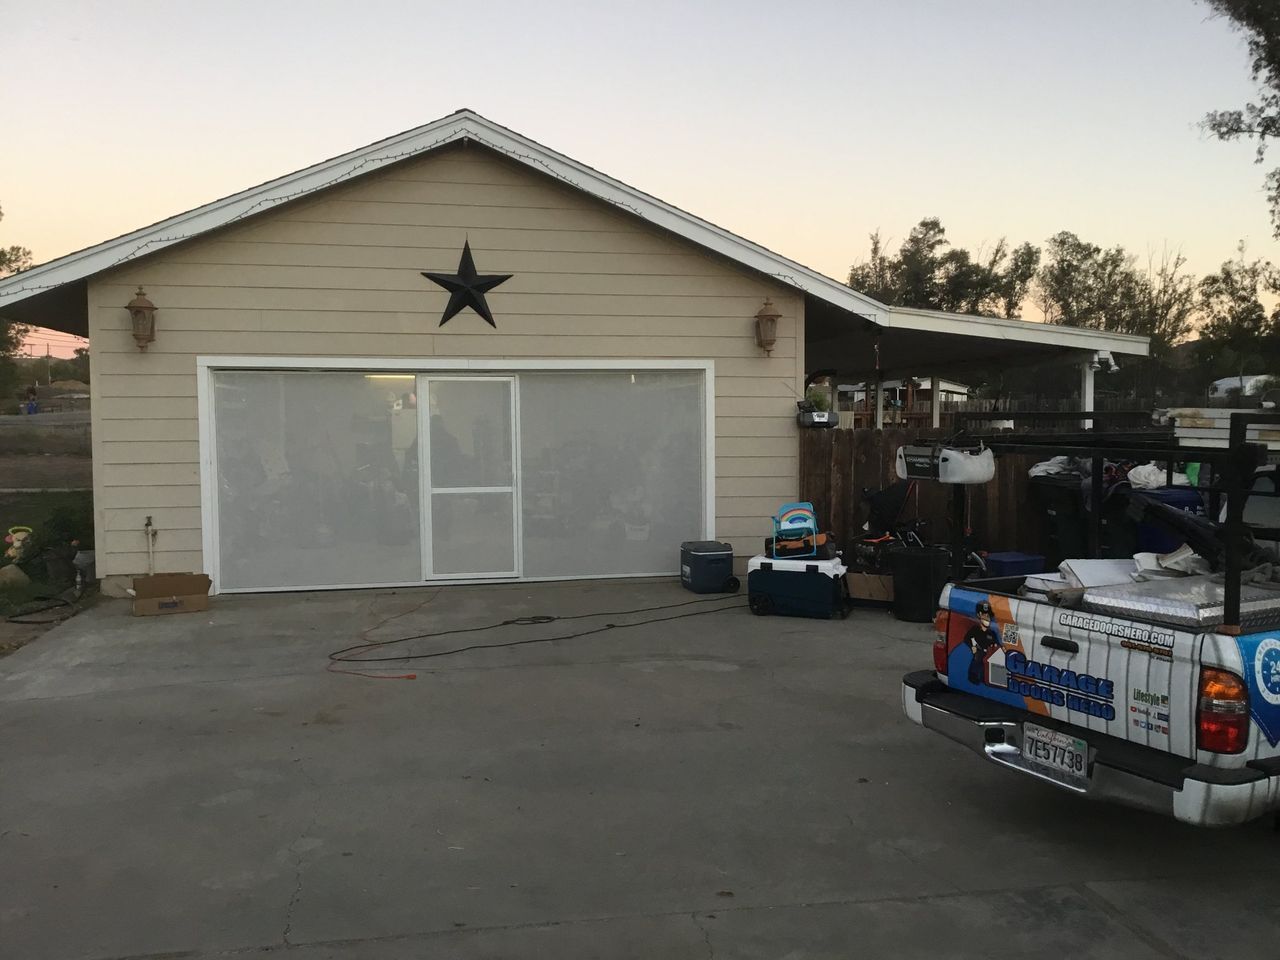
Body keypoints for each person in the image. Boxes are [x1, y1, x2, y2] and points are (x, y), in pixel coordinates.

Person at [964, 600, 1001, 686]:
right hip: (978, 657)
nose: (986, 618)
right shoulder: (975, 630)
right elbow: (967, 639)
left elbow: (997, 644)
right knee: (976, 667)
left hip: (988, 659)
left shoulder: (992, 633)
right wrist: (973, 647)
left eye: (988, 615)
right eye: (984, 615)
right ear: (978, 615)